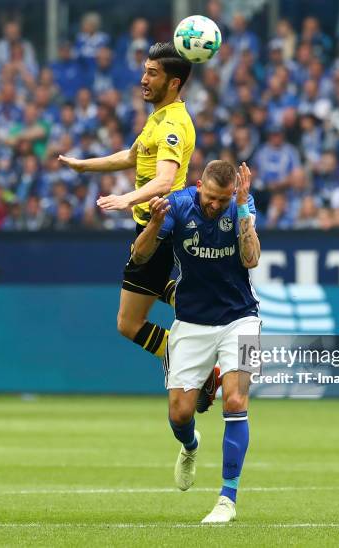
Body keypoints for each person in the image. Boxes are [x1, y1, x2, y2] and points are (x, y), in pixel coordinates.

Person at [59, 43, 220, 411]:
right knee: (156, 288)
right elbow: (133, 157)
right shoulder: (160, 116)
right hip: (153, 227)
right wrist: (85, 166)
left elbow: (165, 180)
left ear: (174, 82)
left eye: (152, 74)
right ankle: (205, 302)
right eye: (145, 71)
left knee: (129, 323)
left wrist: (126, 199)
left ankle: (195, 364)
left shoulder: (174, 126)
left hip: (158, 229)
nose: (143, 80)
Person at [131, 160, 261, 523]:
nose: (215, 205)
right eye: (211, 197)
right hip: (191, 322)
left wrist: (243, 211)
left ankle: (227, 499)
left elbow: (251, 259)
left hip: (243, 318)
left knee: (235, 399)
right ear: (199, 185)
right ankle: (190, 445)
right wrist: (155, 222)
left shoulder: (240, 207)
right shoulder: (178, 205)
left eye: (223, 199)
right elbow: (138, 256)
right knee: (180, 413)